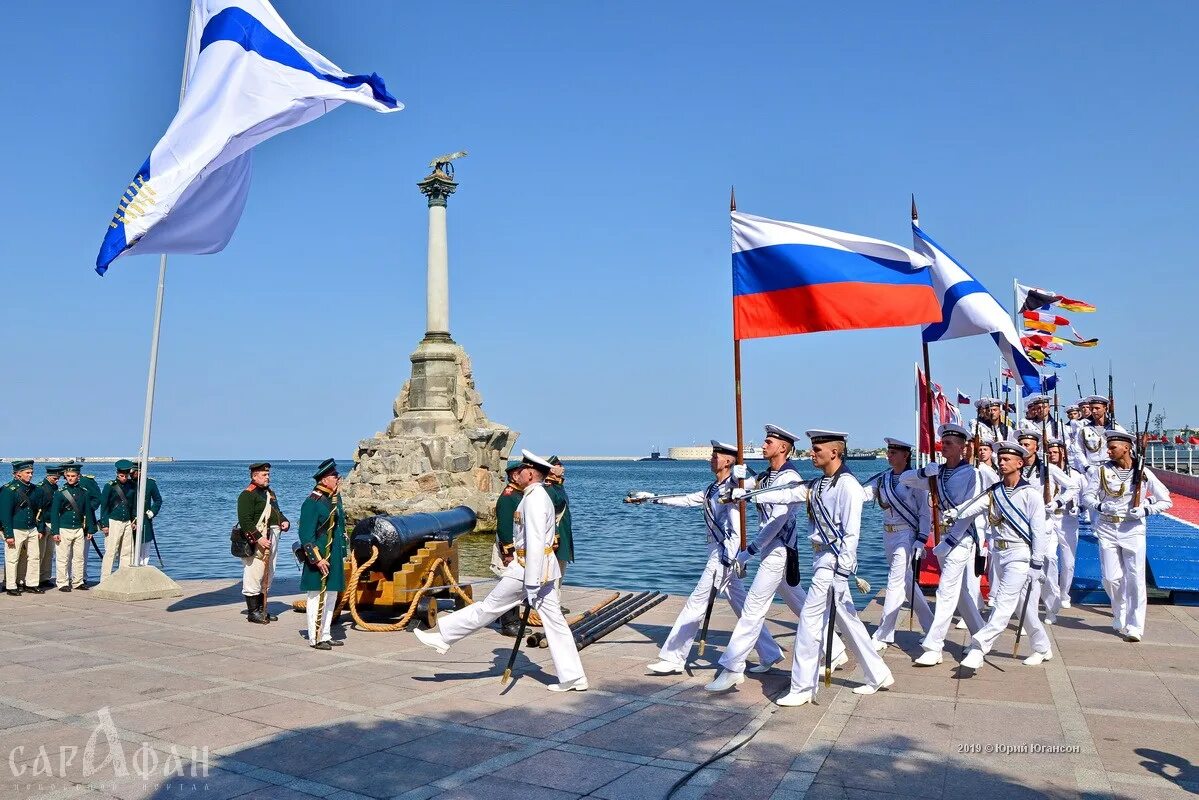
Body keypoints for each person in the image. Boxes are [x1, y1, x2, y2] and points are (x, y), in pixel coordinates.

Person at [733, 430, 894, 706]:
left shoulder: (848, 486)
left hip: (834, 563)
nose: (811, 453)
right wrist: (749, 492)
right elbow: (788, 493)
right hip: (820, 559)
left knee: (809, 620)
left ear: (834, 452)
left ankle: (803, 687)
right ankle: (878, 674)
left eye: (817, 449)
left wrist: (843, 571)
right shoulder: (819, 484)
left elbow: (852, 534)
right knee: (849, 621)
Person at [415, 450, 588, 692]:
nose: (517, 473)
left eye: (521, 470)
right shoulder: (534, 495)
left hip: (528, 570)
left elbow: (536, 541)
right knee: (556, 623)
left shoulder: (536, 498)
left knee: (489, 608)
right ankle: (574, 677)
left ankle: (444, 636)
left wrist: (530, 582)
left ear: (530, 473)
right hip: (541, 571)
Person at [705, 425, 846, 693]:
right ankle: (834, 649)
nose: (763, 445)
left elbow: (777, 521)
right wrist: (737, 478)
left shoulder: (789, 477)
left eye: (768, 442)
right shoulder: (767, 476)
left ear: (782, 447)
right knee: (801, 604)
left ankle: (733, 667)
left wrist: (750, 550)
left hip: (779, 550)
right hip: (771, 550)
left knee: (753, 608)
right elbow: (745, 489)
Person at [628, 440, 783, 675]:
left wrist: (730, 557)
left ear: (729, 461)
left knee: (696, 603)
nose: (711, 459)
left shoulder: (733, 488)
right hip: (718, 552)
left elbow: (736, 527)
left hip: (723, 555)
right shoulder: (713, 488)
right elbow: (688, 499)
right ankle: (770, 652)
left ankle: (673, 657)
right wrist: (652, 498)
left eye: (715, 456)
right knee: (743, 607)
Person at [945, 441, 1053, 668]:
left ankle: (979, 647)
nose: (1001, 463)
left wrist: (1036, 563)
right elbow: (973, 506)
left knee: (1003, 602)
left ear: (1020, 463)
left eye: (1006, 460)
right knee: (1020, 604)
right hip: (1000, 553)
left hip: (1021, 555)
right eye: (1000, 459)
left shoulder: (1030, 494)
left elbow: (1039, 532)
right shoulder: (995, 492)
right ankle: (1042, 647)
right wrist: (955, 513)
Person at [1081, 430, 1172, 641]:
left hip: (1133, 529)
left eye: (1112, 447)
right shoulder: (1100, 471)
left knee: (1136, 578)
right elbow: (1087, 497)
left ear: (1126, 448)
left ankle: (1135, 626)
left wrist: (1145, 509)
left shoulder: (1143, 473)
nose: (1108, 451)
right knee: (1111, 578)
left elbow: (1166, 500)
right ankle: (1119, 607)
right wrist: (1101, 506)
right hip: (1107, 528)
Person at [911, 424, 987, 667]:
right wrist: (924, 472)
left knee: (946, 590)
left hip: (961, 538)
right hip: (943, 538)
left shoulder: (972, 474)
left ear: (963, 447)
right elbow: (906, 478)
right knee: (961, 594)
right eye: (943, 443)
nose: (944, 447)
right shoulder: (937, 473)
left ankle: (934, 645)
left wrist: (952, 539)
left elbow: (969, 511)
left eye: (950, 444)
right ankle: (982, 636)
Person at [858, 438, 933, 651]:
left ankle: (884, 633)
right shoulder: (883, 479)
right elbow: (864, 494)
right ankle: (931, 626)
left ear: (905, 455)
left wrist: (921, 538)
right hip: (888, 535)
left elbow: (924, 513)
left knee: (895, 581)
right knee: (907, 583)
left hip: (906, 535)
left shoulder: (915, 480)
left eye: (893, 452)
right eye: (889, 452)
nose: (889, 456)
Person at [297, 459, 346, 650]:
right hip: (319, 557)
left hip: (332, 555)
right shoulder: (312, 502)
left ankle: (325, 634)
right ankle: (314, 637)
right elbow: (306, 535)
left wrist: (343, 552)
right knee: (316, 596)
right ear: (325, 480)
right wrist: (317, 559)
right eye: (335, 476)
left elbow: (339, 528)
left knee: (331, 595)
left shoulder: (335, 498)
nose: (338, 479)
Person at [236, 462, 290, 624]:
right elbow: (245, 520)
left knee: (268, 572)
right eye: (264, 475)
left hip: (272, 536)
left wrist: (284, 521)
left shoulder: (269, 493)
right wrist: (258, 538)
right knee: (254, 573)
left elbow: (276, 512)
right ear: (254, 476)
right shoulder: (247, 495)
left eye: (268, 474)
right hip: (257, 540)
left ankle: (262, 609)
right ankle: (253, 612)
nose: (268, 477)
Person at [1047, 438, 1085, 611]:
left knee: (1068, 562)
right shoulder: (1045, 472)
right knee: (1050, 557)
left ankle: (1064, 594)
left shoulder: (1076, 475)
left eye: (1055, 452)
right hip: (1049, 518)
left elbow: (1086, 497)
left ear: (1063, 452)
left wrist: (1080, 508)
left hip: (1067, 520)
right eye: (1050, 452)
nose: (1052, 455)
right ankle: (1053, 592)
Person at [1, 461, 44, 595]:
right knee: (12, 558)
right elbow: (5, 514)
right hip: (15, 528)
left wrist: (40, 528)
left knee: (34, 557)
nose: (30, 475)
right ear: (18, 474)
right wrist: (8, 534)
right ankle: (11, 585)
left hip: (31, 528)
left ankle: (31, 583)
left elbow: (40, 510)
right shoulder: (8, 490)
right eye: (27, 473)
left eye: (31, 473)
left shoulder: (35, 490)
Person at [491, 460, 524, 636]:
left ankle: (506, 617)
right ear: (514, 476)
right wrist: (508, 553)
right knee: (509, 583)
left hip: (517, 546)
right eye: (522, 472)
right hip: (509, 548)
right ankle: (509, 623)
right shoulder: (508, 497)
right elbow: (504, 527)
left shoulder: (519, 494)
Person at [50, 465, 95, 591]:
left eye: (73, 476)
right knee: (63, 558)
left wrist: (90, 529)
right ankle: (62, 582)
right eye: (68, 476)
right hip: (64, 528)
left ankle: (78, 581)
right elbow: (54, 513)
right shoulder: (60, 493)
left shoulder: (84, 492)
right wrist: (55, 531)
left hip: (79, 528)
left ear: (78, 477)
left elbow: (88, 511)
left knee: (79, 557)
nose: (70, 478)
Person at [99, 460, 138, 576]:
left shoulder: (132, 486)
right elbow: (104, 506)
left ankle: (123, 577)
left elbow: (133, 504)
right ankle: (105, 579)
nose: (124, 478)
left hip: (127, 521)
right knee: (111, 552)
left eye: (126, 476)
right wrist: (104, 524)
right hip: (113, 521)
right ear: (117, 474)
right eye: (121, 476)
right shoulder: (110, 486)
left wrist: (134, 519)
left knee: (127, 551)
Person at [1071, 395, 1125, 472]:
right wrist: (1086, 466)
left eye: (1097, 408)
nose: (1094, 411)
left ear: (1105, 408)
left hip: (1111, 467)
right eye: (1091, 408)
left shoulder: (1116, 428)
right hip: (1092, 468)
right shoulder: (1084, 430)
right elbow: (1078, 450)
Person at [545, 456, 574, 596]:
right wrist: (555, 536)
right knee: (552, 574)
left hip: (563, 536)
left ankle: (555, 601)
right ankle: (552, 604)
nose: (563, 468)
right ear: (551, 469)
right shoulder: (549, 489)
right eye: (559, 465)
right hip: (555, 538)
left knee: (560, 572)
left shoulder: (558, 487)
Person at [33, 466, 63, 589]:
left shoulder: (55, 488)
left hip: (53, 522)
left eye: (58, 478)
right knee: (40, 552)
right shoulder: (41, 488)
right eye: (55, 478)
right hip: (44, 522)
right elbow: (38, 508)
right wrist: (40, 525)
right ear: (48, 476)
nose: (57, 480)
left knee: (49, 553)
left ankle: (45, 577)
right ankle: (35, 578)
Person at [129, 464, 163, 566]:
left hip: (144, 518)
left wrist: (152, 511)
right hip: (130, 518)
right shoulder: (129, 483)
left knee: (145, 545)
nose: (131, 475)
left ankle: (144, 565)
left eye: (134, 473)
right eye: (131, 473)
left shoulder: (150, 483)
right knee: (130, 545)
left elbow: (158, 500)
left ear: (140, 471)